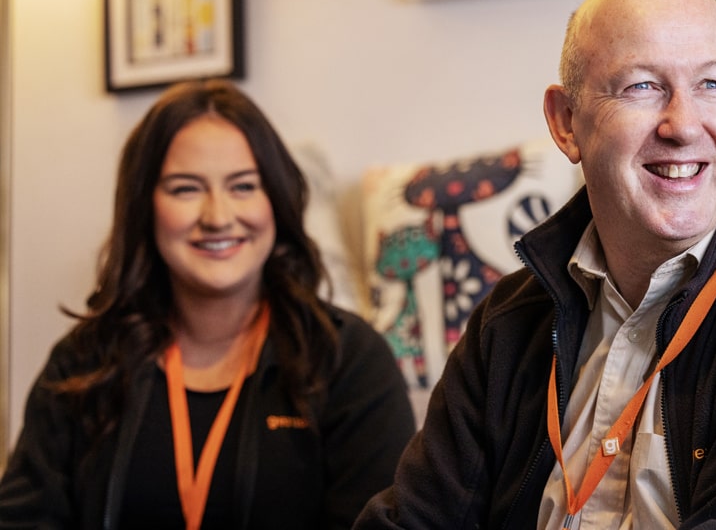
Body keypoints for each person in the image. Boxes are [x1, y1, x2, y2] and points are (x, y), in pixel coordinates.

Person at [353, 0, 716, 529]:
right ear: (566, 122)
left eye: (711, 85)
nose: (683, 125)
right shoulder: (510, 321)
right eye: (642, 86)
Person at [0, 79, 416, 529]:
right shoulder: (84, 364)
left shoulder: (349, 360)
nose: (217, 217)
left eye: (243, 186)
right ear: (144, 205)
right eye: (186, 189)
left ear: (275, 200)